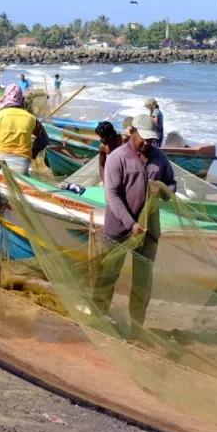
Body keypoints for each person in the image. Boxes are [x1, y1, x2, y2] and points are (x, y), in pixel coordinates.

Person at [92, 113, 175, 333]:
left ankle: (136, 327)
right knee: (107, 275)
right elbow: (111, 195)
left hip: (148, 230)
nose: (148, 143)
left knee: (142, 282)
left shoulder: (160, 158)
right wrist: (131, 223)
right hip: (118, 228)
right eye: (144, 138)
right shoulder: (117, 157)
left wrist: (164, 190)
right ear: (132, 132)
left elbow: (172, 185)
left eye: (152, 140)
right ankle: (97, 318)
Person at [0, 83, 48, 176]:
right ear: (21, 99)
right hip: (22, 164)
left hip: (0, 163)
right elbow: (44, 140)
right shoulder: (31, 118)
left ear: (5, 96)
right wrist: (33, 154)